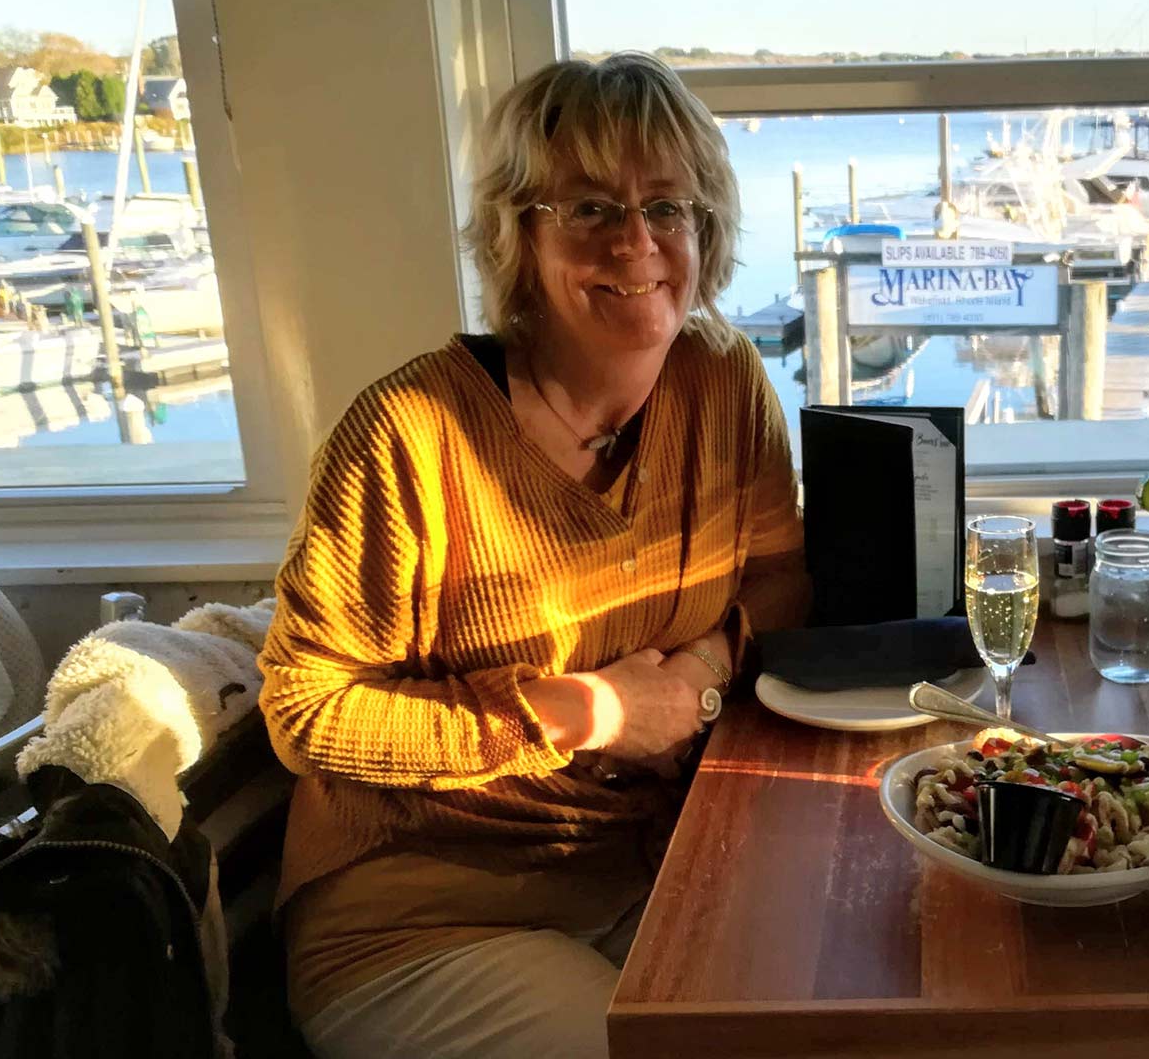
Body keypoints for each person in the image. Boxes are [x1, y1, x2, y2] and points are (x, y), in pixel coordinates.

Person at [257, 52, 809, 1059]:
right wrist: (587, 712)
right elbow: (305, 711)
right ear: (522, 232)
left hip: (643, 869)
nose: (638, 242)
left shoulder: (726, 384)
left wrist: (700, 672)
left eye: (668, 208)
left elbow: (778, 582)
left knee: (837, 1006)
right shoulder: (409, 431)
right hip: (422, 920)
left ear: (707, 230)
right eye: (591, 208)